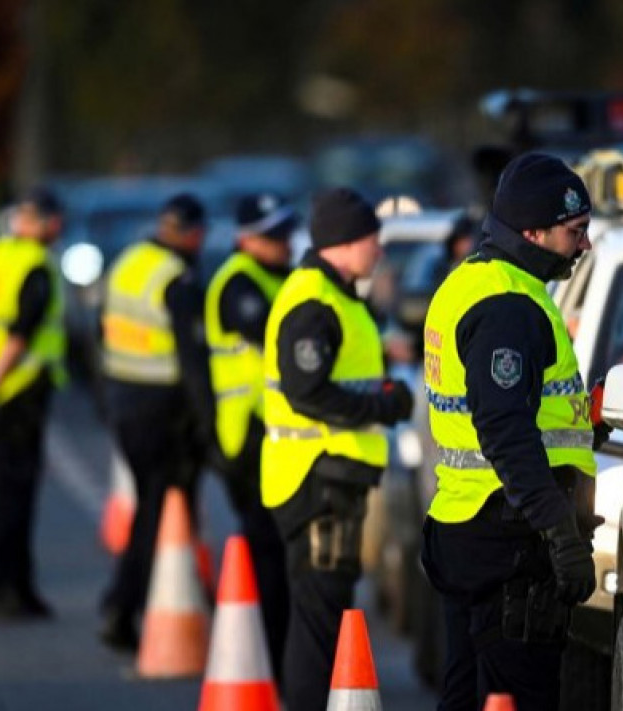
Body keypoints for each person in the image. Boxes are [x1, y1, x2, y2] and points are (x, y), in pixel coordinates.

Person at [420, 153, 603, 711]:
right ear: (533, 233)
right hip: (509, 546)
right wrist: (560, 535)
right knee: (516, 697)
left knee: (469, 694)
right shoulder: (509, 307)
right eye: (575, 233)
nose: (584, 246)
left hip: (472, 530)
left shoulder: (474, 283)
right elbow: (504, 431)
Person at [260, 187, 414, 711]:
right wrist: (382, 407)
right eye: (374, 239)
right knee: (320, 616)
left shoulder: (338, 295)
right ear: (344, 242)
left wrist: (383, 391)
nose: (379, 250)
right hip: (317, 476)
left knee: (324, 609)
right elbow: (308, 392)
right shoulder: (313, 302)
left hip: (330, 475)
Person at [98, 193, 215, 650]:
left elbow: (99, 330)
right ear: (193, 233)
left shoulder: (129, 262)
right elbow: (192, 362)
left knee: (158, 510)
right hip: (163, 412)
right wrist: (208, 420)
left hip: (124, 400)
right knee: (158, 514)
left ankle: (177, 598)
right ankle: (124, 608)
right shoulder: (177, 280)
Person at [0, 187, 67, 618]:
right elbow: (21, 332)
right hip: (18, 389)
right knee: (13, 493)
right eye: (53, 220)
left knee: (6, 487)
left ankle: (18, 586)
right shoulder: (34, 265)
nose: (57, 228)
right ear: (42, 222)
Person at [204, 192, 294, 680]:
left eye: (284, 230)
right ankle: (270, 664)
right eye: (271, 234)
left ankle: (276, 661)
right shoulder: (237, 282)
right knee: (267, 555)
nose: (283, 241)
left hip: (276, 435)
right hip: (249, 436)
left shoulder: (278, 276)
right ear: (245, 239)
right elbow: (278, 339)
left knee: (277, 554)